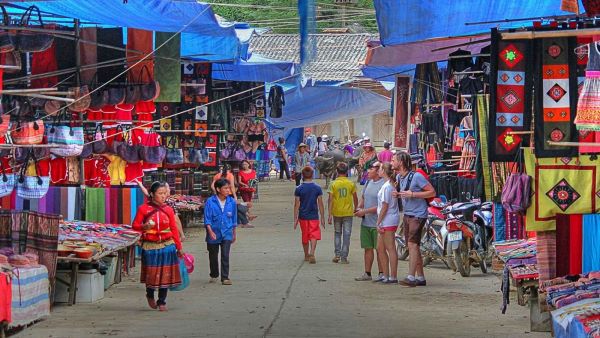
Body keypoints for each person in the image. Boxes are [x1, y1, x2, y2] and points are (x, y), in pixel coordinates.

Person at [132, 181, 183, 311]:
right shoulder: (143, 209)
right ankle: (149, 294)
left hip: (167, 245)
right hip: (150, 246)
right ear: (152, 194)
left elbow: (173, 229)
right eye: (160, 193)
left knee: (165, 274)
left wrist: (179, 247)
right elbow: (135, 226)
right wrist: (144, 227)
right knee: (151, 274)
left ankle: (162, 301)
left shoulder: (169, 209)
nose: (163, 196)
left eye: (164, 193)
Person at [392, 151, 436, 287]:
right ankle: (420, 277)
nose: (392, 162)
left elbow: (432, 192)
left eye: (394, 160)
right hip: (408, 214)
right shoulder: (399, 177)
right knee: (413, 245)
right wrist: (398, 195)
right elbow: (405, 194)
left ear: (401, 162)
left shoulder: (416, 176)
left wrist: (413, 194)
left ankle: (411, 276)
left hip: (418, 214)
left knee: (412, 244)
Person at [354, 161, 385, 281]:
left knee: (380, 250)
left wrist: (364, 211)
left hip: (378, 223)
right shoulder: (367, 183)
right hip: (366, 222)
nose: (368, 171)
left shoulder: (384, 185)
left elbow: (382, 206)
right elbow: (363, 197)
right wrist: (359, 208)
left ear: (377, 171)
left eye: (370, 169)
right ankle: (367, 273)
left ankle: (382, 273)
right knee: (367, 248)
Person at [204, 178, 238, 285]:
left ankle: (225, 277)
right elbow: (207, 218)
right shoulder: (210, 201)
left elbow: (234, 219)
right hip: (213, 232)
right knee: (213, 256)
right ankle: (214, 274)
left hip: (227, 232)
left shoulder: (231, 202)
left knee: (225, 255)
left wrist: (234, 233)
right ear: (218, 189)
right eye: (226, 188)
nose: (228, 190)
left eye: (229, 188)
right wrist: (210, 232)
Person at [374, 163, 400, 284]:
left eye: (379, 169)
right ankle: (385, 274)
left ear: (383, 171)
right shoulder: (388, 185)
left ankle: (393, 276)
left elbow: (385, 206)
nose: (378, 171)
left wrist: (378, 221)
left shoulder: (387, 187)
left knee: (390, 248)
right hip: (387, 219)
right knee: (380, 248)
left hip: (388, 219)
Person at [293, 166, 325, 264]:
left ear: (302, 175)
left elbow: (296, 204)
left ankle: (306, 254)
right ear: (312, 175)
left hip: (303, 216)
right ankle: (312, 252)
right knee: (314, 234)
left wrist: (295, 218)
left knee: (305, 235)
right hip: (314, 215)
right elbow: (320, 203)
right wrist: (322, 217)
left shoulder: (299, 188)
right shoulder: (317, 188)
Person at [327, 162, 358, 264]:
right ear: (347, 171)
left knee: (337, 233)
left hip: (336, 212)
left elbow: (330, 200)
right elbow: (355, 198)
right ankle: (344, 257)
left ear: (337, 171)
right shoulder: (351, 183)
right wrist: (356, 208)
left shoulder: (333, 184)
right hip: (348, 212)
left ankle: (337, 254)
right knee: (347, 234)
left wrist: (329, 215)